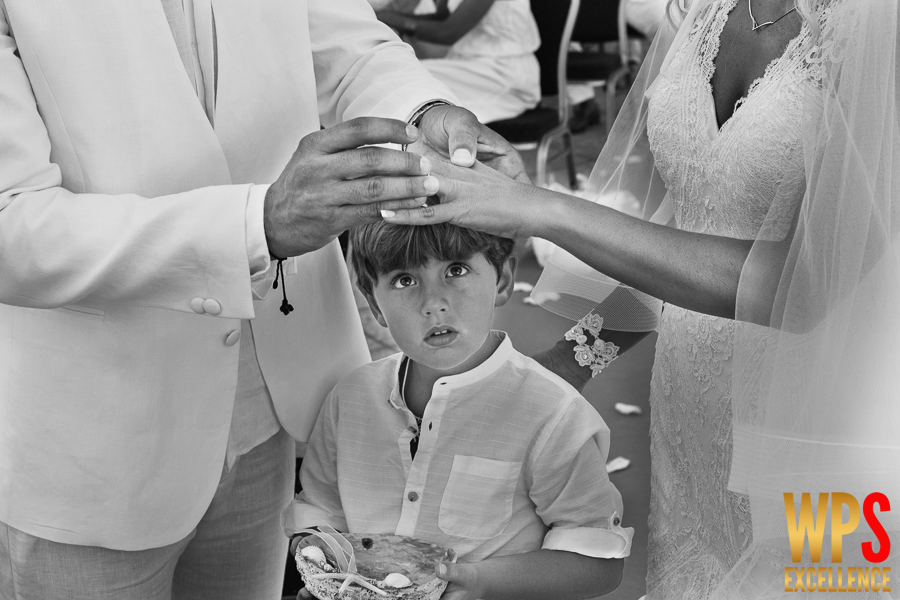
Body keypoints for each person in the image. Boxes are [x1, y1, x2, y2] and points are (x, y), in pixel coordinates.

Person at [0, 1, 526, 598]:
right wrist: (255, 224)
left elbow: (351, 51)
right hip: (97, 438)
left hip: (274, 403)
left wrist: (423, 113)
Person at [380, 0, 900, 597]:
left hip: (825, 419)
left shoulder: (878, 28)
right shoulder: (703, 11)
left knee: (819, 584)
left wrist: (545, 210)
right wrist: (570, 362)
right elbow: (678, 228)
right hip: (693, 411)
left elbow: (806, 289)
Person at [283, 221, 630, 600]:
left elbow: (600, 565)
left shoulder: (555, 415)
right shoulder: (348, 398)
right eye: (403, 280)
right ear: (373, 304)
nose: (433, 303)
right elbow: (319, 517)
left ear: (502, 281)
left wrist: (483, 582)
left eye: (456, 270)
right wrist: (325, 578)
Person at [375, 0, 541, 123]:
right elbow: (441, 18)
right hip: (470, 65)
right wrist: (387, 18)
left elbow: (448, 32)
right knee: (393, 77)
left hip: (504, 72)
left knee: (400, 80)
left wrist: (385, 17)